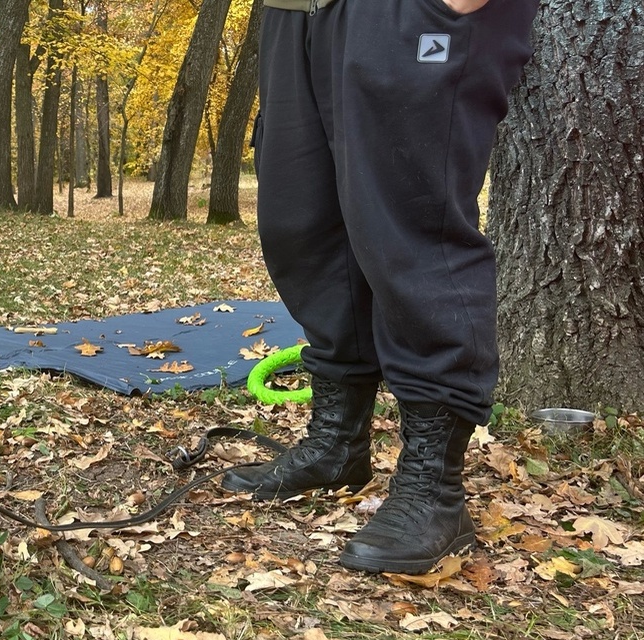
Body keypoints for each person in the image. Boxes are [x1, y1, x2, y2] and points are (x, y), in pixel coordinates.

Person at [222, 0, 539, 574]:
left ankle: (433, 490)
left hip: (409, 12)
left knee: (413, 228)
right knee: (305, 225)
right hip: (297, 14)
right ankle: (338, 444)